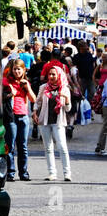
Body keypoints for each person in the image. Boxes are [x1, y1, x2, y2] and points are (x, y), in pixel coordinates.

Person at [36, 50, 72, 181]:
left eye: (53, 74)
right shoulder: (43, 87)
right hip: (44, 121)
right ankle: (52, 173)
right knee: (48, 148)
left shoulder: (64, 89)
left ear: (59, 75)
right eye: (50, 74)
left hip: (58, 121)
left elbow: (68, 109)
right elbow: (38, 102)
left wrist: (66, 100)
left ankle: (67, 173)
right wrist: (35, 112)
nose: (51, 76)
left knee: (62, 146)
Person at [2, 59, 35, 181]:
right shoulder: (6, 81)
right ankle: (10, 173)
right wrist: (11, 92)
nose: (16, 71)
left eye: (19, 69)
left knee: (23, 146)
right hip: (11, 116)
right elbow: (2, 94)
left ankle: (24, 173)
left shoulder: (25, 82)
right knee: (10, 146)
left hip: (23, 116)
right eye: (14, 69)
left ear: (23, 70)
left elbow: (33, 99)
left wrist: (27, 87)